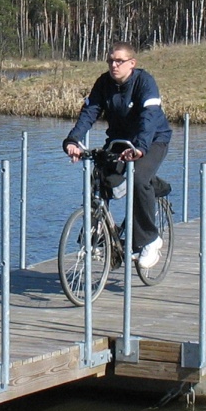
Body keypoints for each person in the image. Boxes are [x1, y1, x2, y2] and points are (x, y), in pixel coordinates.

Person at [62, 41, 172, 268]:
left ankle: (150, 239)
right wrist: (73, 140)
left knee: (138, 178)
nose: (114, 65)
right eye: (110, 60)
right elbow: (89, 112)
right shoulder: (104, 83)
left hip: (152, 140)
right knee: (100, 177)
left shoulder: (145, 82)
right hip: (119, 141)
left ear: (132, 63)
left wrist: (140, 148)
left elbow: (149, 117)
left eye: (119, 61)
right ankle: (100, 233)